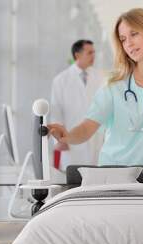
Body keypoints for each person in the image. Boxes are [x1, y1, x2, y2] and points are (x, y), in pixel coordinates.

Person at [49, 8, 143, 165]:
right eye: (123, 39)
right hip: (115, 172)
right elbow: (88, 127)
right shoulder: (115, 83)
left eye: (134, 34)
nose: (129, 44)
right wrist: (67, 136)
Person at [50, 39, 104, 170]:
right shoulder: (61, 80)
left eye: (94, 52)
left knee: (96, 180)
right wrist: (59, 139)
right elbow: (56, 112)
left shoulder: (100, 77)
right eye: (89, 52)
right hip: (71, 140)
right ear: (77, 55)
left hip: (96, 138)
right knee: (74, 180)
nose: (93, 56)